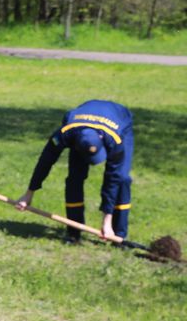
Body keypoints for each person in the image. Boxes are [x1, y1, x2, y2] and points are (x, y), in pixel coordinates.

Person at [14, 100, 134, 241]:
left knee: (122, 179)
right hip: (82, 126)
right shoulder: (65, 134)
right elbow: (45, 162)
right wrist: (29, 193)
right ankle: (74, 233)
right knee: (74, 178)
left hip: (120, 120)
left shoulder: (114, 140)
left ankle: (119, 234)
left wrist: (106, 220)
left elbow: (112, 179)